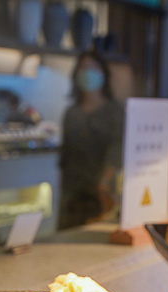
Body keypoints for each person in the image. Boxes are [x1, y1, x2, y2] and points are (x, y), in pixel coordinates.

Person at [58, 51, 123, 230]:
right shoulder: (71, 113)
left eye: (93, 67)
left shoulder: (115, 111)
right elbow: (65, 156)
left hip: (101, 192)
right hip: (72, 193)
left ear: (103, 73)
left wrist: (104, 182)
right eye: (83, 67)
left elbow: (117, 150)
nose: (88, 72)